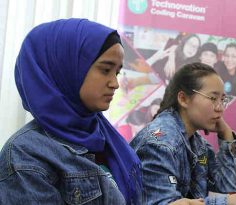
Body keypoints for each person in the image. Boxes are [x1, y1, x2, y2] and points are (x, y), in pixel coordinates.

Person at [0, 19, 142, 204]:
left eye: (117, 72)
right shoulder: (25, 155)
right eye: (105, 69)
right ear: (65, 67)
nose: (114, 83)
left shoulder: (103, 137)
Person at [130, 62, 236, 205]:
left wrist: (226, 134)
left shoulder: (197, 142)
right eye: (213, 98)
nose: (220, 108)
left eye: (222, 100)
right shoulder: (160, 144)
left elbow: (228, 189)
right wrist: (228, 202)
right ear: (183, 99)